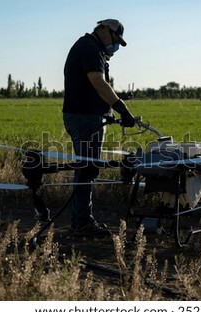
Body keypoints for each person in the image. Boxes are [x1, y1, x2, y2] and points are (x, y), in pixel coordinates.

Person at [62, 19, 135, 237]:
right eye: (115, 39)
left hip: (89, 116)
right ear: (104, 30)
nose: (115, 46)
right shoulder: (89, 47)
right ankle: (83, 222)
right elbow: (98, 82)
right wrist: (122, 109)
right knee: (86, 169)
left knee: (87, 168)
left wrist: (117, 97)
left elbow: (93, 87)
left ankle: (80, 220)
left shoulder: (95, 50)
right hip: (85, 118)